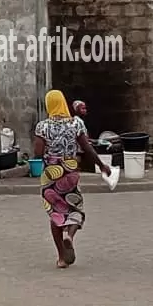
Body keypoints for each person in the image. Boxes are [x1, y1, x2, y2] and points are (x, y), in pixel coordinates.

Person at [33, 89, 110, 269]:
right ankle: (70, 235)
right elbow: (87, 147)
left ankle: (61, 257)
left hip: (51, 172)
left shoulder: (42, 126)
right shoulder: (77, 123)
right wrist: (101, 165)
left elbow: (37, 153)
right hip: (70, 169)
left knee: (55, 212)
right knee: (75, 207)